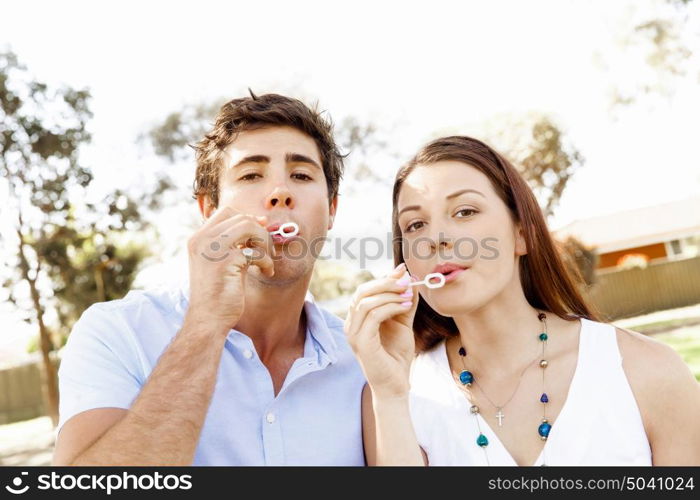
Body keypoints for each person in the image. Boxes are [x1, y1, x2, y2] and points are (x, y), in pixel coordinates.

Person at [345, 135, 700, 466]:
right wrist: (390, 396)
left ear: (521, 234)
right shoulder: (393, 395)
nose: (435, 238)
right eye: (415, 225)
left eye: (465, 211)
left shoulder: (649, 371)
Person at [53, 92, 366, 466]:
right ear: (209, 209)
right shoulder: (116, 333)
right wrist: (205, 324)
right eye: (251, 174)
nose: (280, 192)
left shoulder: (364, 362)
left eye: (300, 175)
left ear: (331, 210)